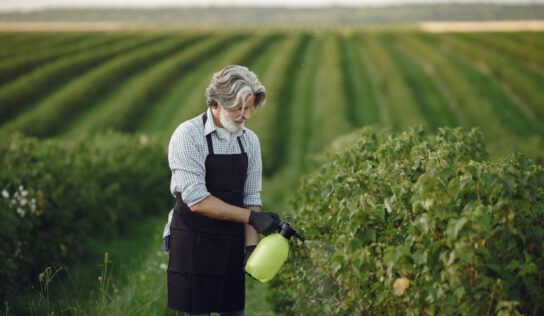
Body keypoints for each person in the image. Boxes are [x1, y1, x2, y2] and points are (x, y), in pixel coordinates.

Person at [166, 65, 281, 315]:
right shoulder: (188, 136)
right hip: (194, 239)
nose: (246, 115)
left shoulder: (249, 140)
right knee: (197, 310)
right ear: (216, 103)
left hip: (230, 241)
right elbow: (198, 201)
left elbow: (251, 197)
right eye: (238, 108)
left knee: (233, 310)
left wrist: (251, 247)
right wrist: (252, 218)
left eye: (249, 107)